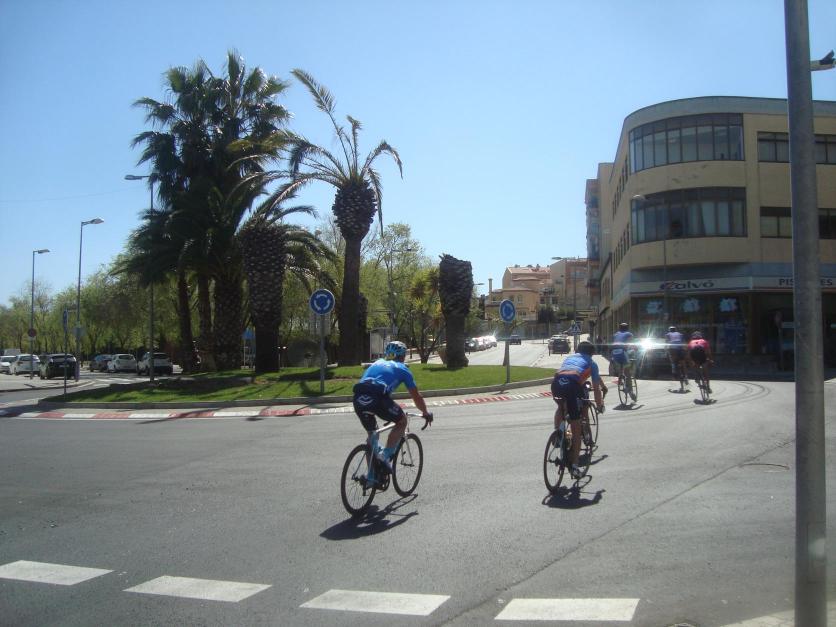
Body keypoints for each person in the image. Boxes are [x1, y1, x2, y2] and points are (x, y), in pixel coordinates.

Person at [352, 341, 433, 478]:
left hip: (358, 399)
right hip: (378, 399)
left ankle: (371, 477)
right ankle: (384, 456)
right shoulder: (403, 369)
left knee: (372, 436)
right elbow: (416, 396)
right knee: (402, 421)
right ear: (403, 356)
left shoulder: (377, 363)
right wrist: (425, 412)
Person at [551, 340, 607, 479]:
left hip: (556, 383)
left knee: (561, 407)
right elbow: (596, 389)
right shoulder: (592, 363)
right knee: (576, 428)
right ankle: (575, 466)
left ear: (578, 351)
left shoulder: (569, 358)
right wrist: (599, 404)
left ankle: (559, 434)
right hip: (572, 385)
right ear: (592, 354)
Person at [610, 322, 636, 401]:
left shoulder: (615, 334)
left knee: (621, 367)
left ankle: (621, 377)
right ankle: (631, 391)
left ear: (619, 328)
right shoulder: (629, 334)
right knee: (628, 372)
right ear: (627, 328)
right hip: (622, 352)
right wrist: (635, 349)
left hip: (614, 353)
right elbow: (632, 344)